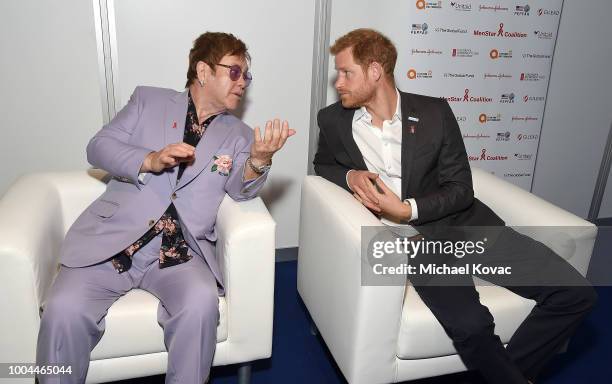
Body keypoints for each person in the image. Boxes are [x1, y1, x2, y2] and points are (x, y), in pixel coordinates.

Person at [313, 28, 596, 384]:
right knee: (472, 325)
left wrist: (408, 209)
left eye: (346, 73)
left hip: (463, 224)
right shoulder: (334, 120)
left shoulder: (434, 112)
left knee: (576, 294)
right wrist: (351, 174)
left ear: (374, 71)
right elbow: (323, 164)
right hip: (413, 244)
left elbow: (461, 189)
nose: (338, 82)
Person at [36, 31, 294, 384]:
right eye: (235, 71)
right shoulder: (148, 101)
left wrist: (259, 161)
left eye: (246, 75)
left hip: (181, 253)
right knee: (63, 310)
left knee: (201, 305)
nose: (243, 82)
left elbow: (241, 189)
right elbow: (98, 147)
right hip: (114, 240)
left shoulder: (240, 135)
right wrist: (149, 159)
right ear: (203, 71)